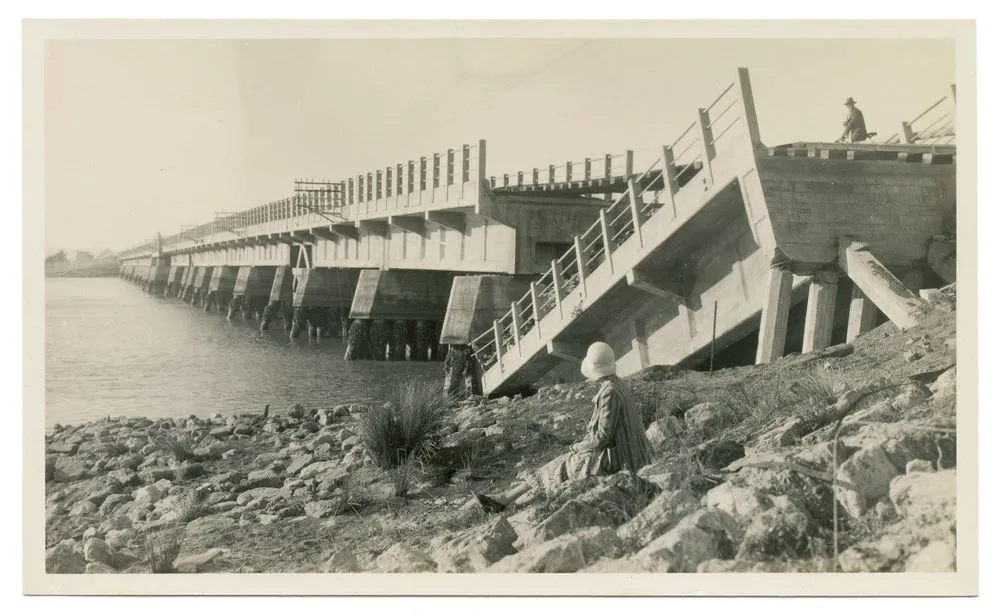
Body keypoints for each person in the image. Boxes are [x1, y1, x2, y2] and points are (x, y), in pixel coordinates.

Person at [472, 341, 652, 512]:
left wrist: (579, 446)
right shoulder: (618, 384)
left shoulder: (609, 393)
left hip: (620, 459)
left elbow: (602, 438)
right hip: (633, 453)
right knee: (561, 464)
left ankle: (508, 502)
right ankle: (505, 499)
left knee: (562, 466)